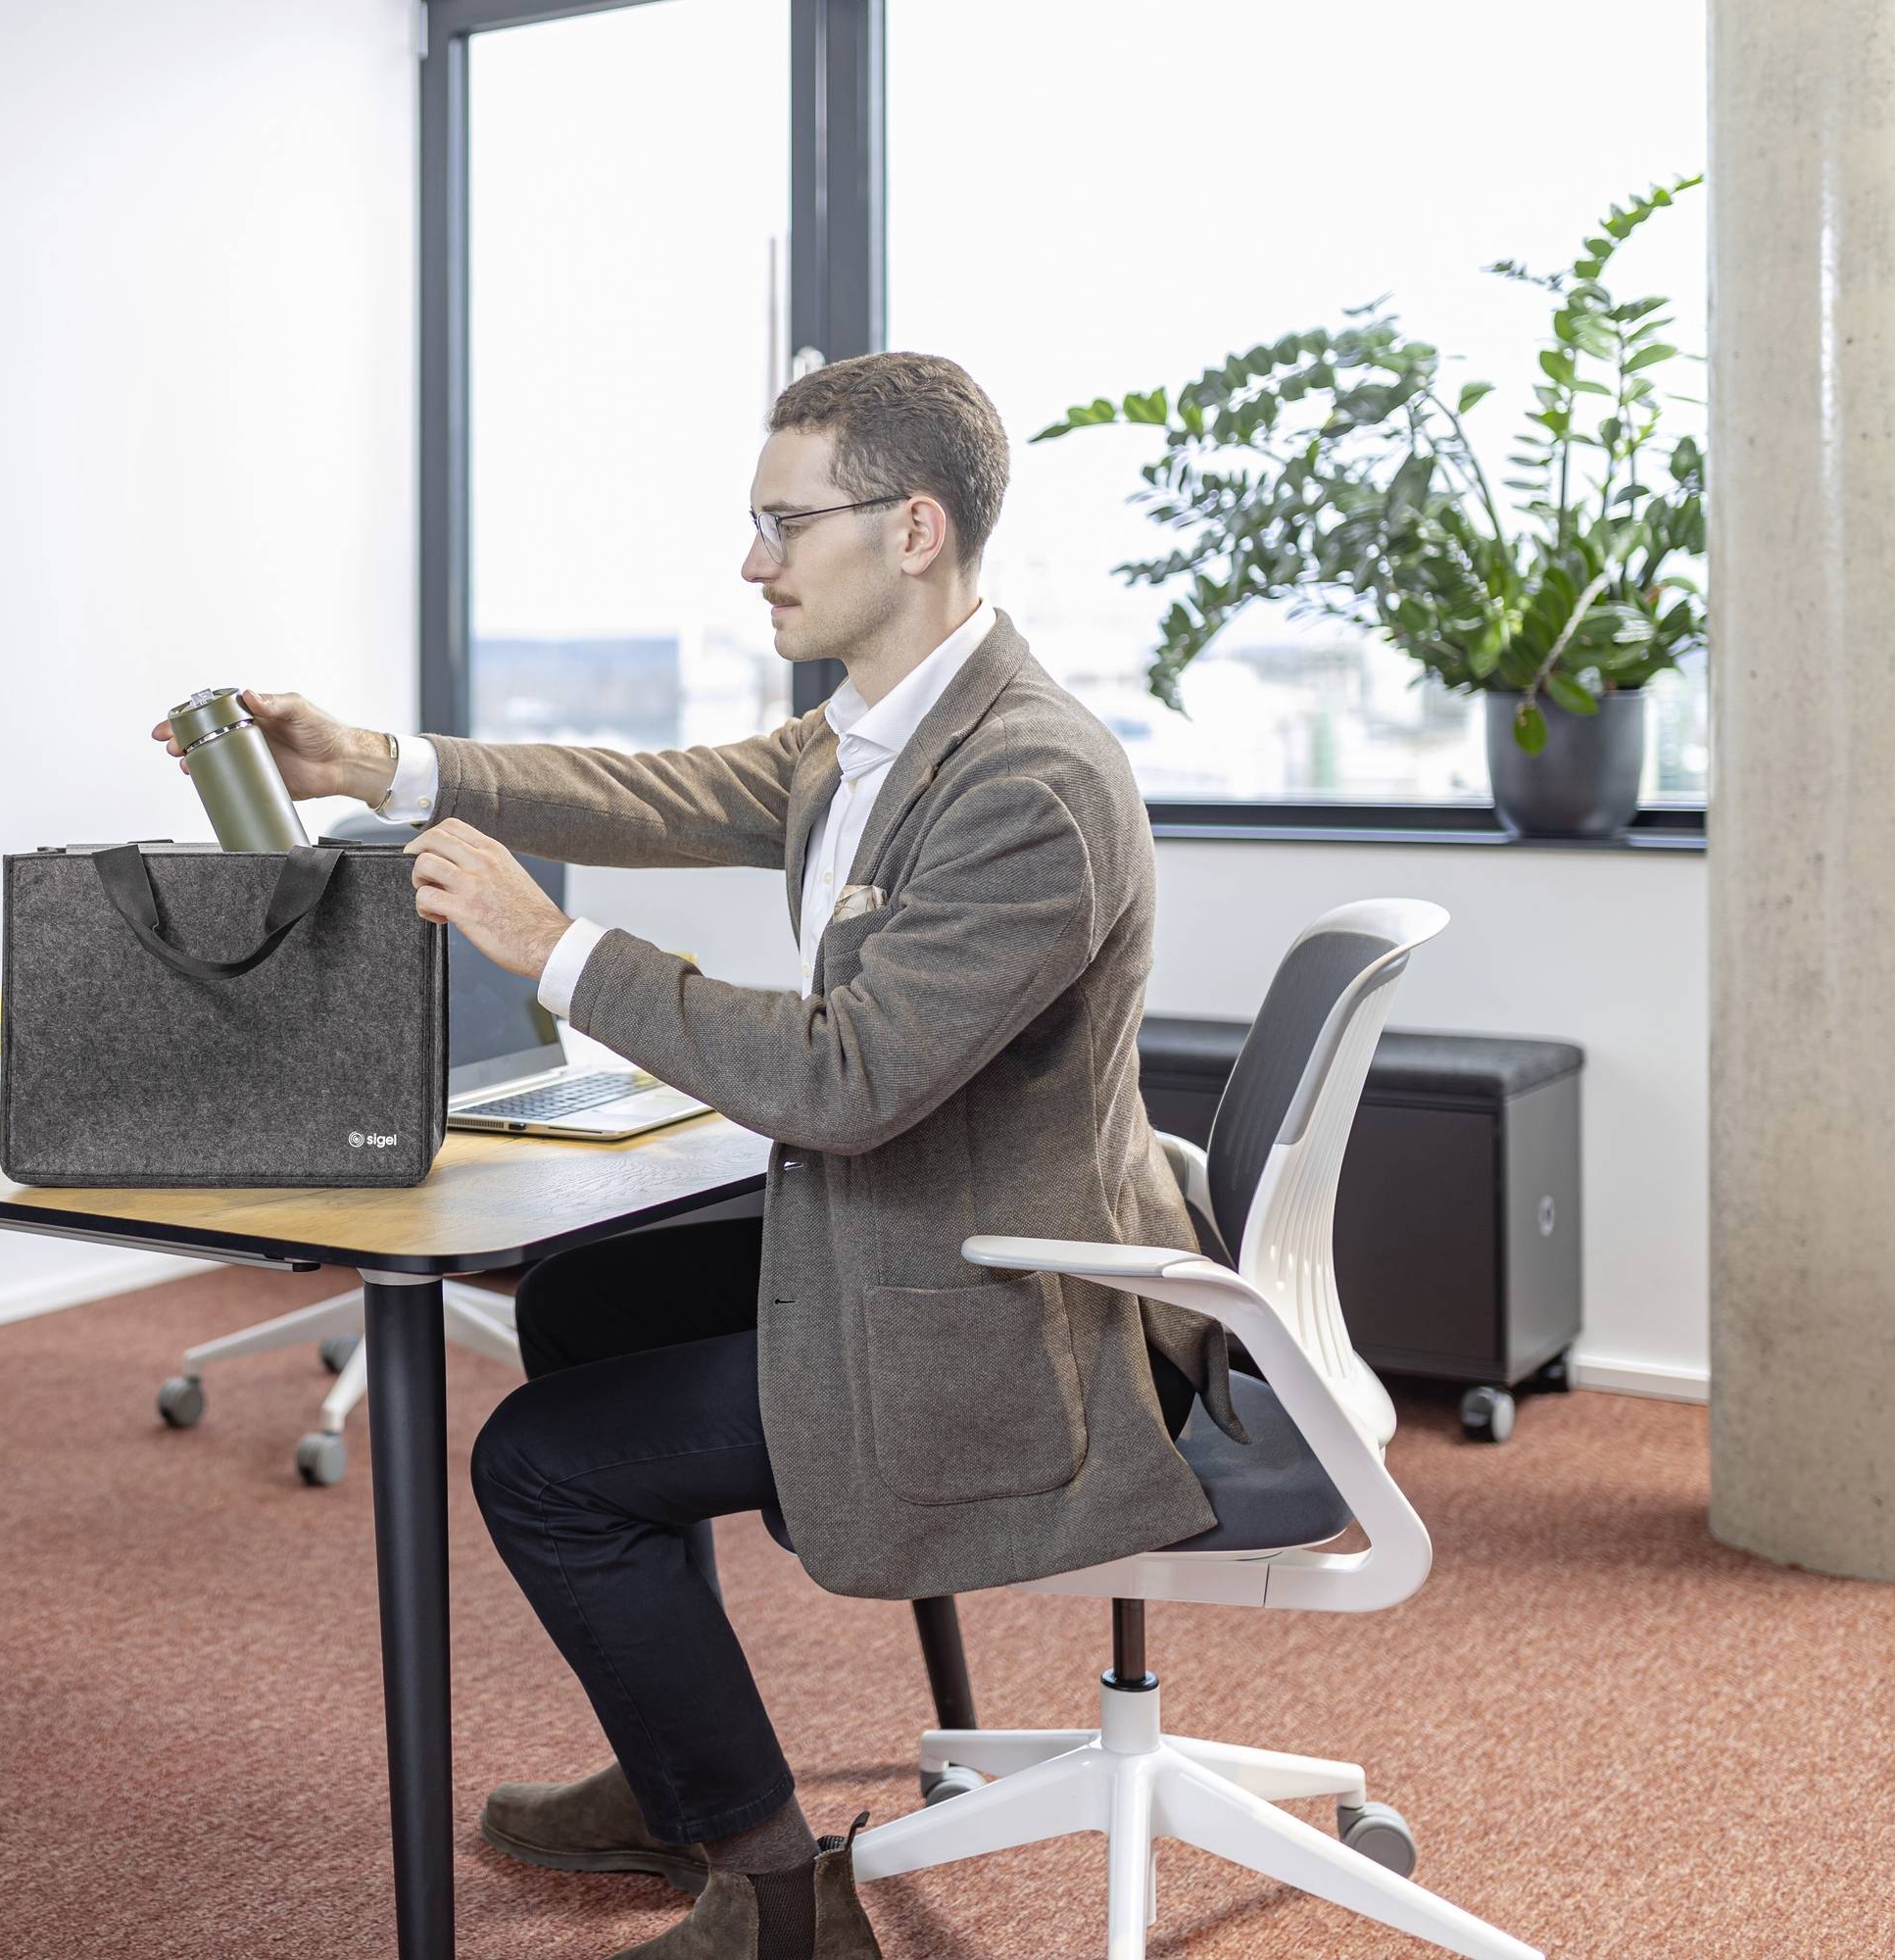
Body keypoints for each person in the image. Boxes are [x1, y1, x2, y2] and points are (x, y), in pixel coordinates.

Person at [151, 351, 1241, 1960]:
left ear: (917, 529)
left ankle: (774, 1892)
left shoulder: (1031, 784)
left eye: (784, 523)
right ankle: (686, 1775)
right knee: (587, 1308)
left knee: (539, 1468)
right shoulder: (880, 737)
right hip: (934, 1238)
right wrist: (373, 760)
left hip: (1008, 1325)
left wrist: (556, 949)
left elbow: (851, 1079)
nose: (755, 561)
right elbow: (659, 789)